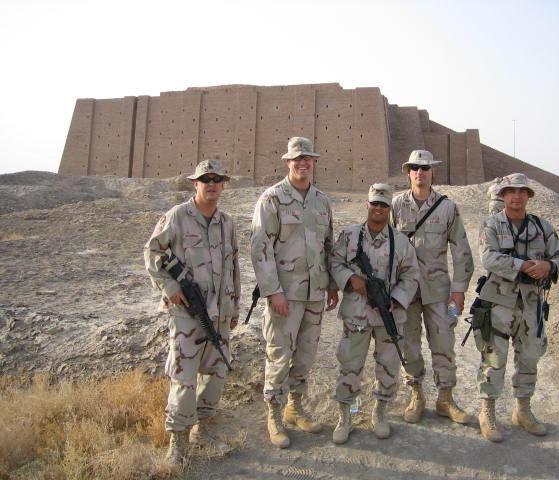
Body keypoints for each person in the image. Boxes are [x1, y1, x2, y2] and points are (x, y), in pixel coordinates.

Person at [144, 159, 240, 467]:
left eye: (216, 179)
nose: (211, 183)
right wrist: (170, 289)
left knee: (219, 371)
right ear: (195, 184)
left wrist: (233, 305)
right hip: (186, 312)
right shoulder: (177, 216)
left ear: (223, 184)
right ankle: (178, 441)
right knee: (184, 377)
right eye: (205, 179)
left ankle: (203, 426)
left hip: (219, 312)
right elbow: (152, 252)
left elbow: (233, 266)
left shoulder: (227, 222)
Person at [250, 136, 339, 449]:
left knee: (305, 356)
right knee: (279, 355)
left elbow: (329, 245)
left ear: (313, 162)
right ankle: (273, 414)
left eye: (308, 159)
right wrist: (273, 291)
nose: (303, 163)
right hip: (284, 297)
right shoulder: (272, 199)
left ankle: (294, 407)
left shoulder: (321, 201)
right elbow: (260, 249)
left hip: (315, 294)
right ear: (288, 162)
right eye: (297, 159)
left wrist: (331, 284)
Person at [474, 173, 559, 442]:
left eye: (522, 191)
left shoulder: (542, 227)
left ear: (529, 196)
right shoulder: (491, 224)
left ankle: (523, 410)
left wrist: (549, 266)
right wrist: (524, 266)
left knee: (529, 357)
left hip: (532, 304)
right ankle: (487, 412)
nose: (516, 195)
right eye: (511, 191)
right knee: (494, 358)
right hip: (499, 302)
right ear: (502, 195)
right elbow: (489, 258)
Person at [329, 184, 419, 444]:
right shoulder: (349, 236)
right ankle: (344, 414)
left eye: (383, 204)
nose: (378, 208)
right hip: (356, 314)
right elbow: (335, 262)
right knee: (349, 364)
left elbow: (412, 275)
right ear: (367, 205)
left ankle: (380, 412)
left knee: (388, 366)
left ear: (389, 209)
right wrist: (351, 279)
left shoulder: (401, 242)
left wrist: (397, 299)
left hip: (389, 315)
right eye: (374, 203)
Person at [391, 150, 474, 425]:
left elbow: (461, 251)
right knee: (408, 345)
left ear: (432, 172)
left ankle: (445, 399)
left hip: (438, 292)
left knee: (444, 344)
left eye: (425, 168)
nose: (420, 172)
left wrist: (459, 292)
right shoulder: (396, 205)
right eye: (415, 167)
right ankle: (417, 396)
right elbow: (385, 245)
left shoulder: (447, 207)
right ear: (408, 172)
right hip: (405, 292)